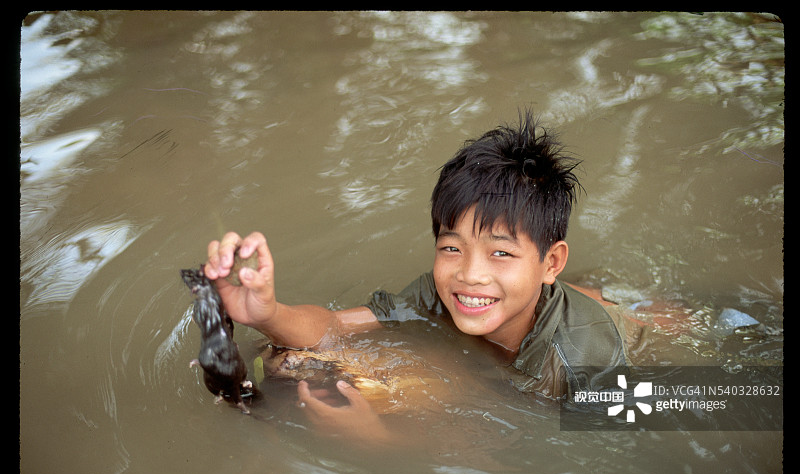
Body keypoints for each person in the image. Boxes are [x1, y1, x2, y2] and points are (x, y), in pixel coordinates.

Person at [203, 110, 635, 446]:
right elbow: (335, 327)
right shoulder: (443, 291)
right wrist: (266, 313)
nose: (469, 273)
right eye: (452, 247)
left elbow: (549, 460)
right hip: (542, 303)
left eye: (500, 252)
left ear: (551, 262)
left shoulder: (585, 363)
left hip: (633, 327)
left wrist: (381, 441)